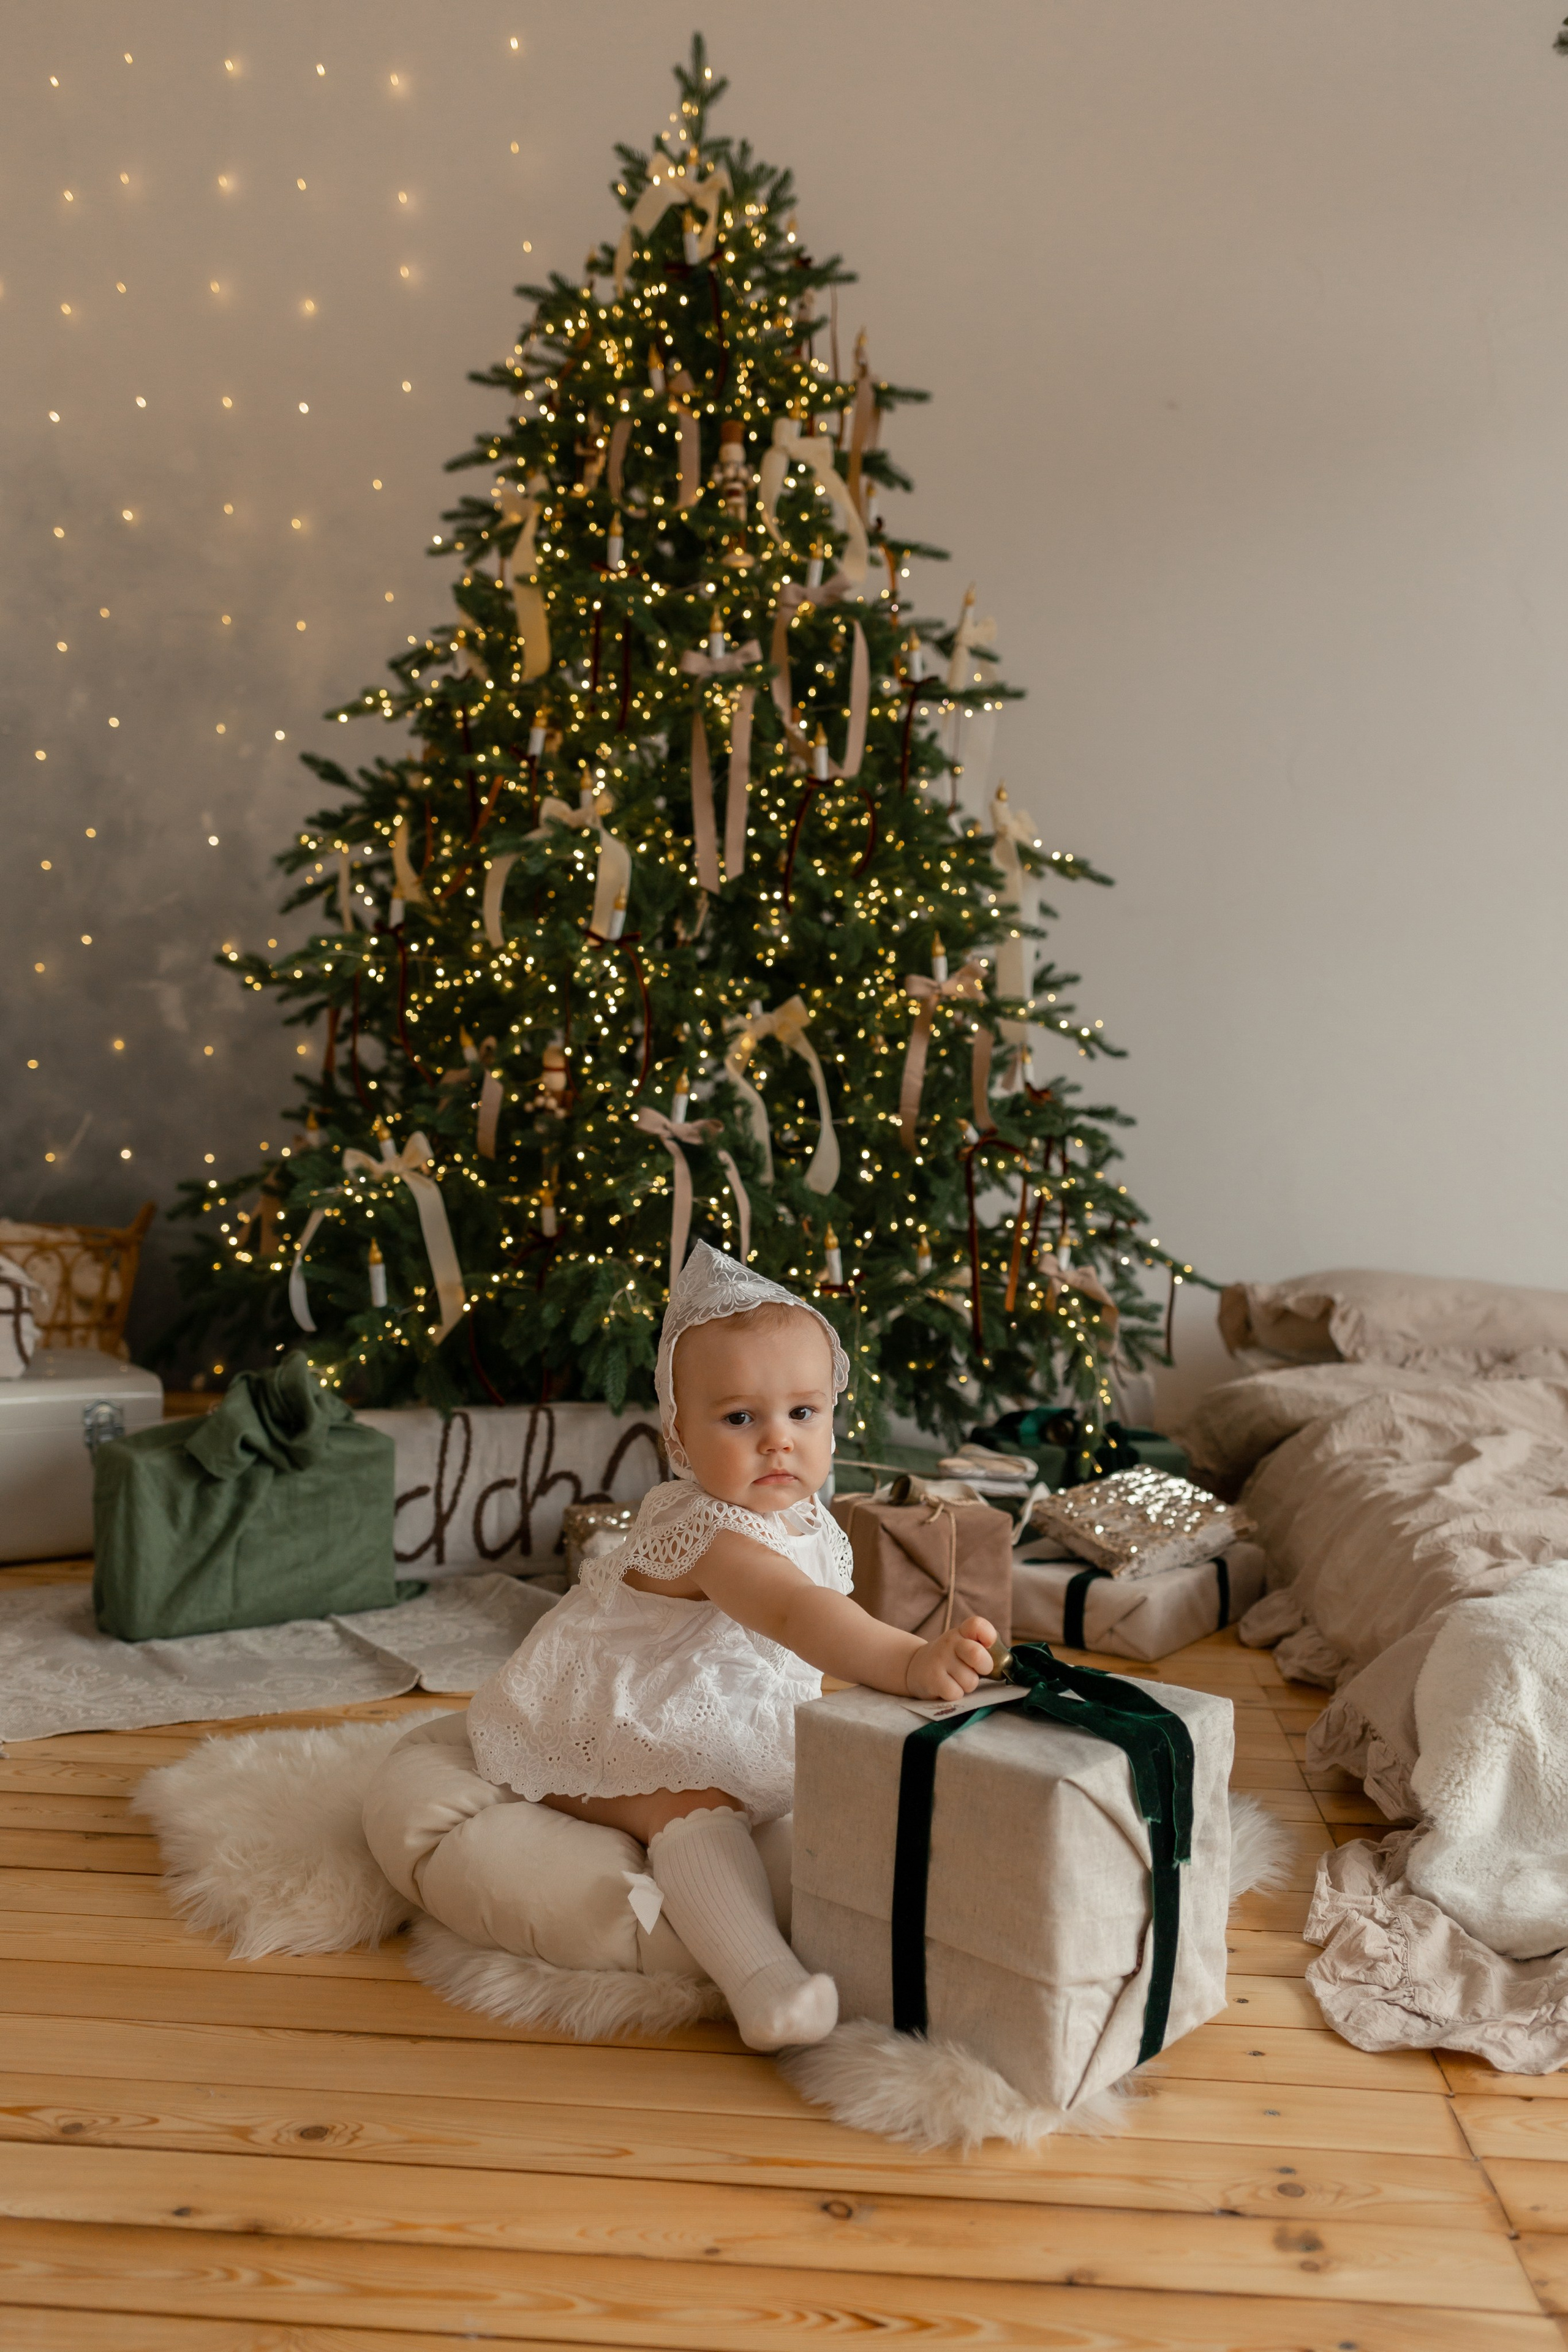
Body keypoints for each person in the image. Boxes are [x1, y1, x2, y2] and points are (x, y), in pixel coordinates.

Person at [467, 1242, 997, 2050]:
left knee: (791, 1784)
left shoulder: (802, 1517)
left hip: (703, 1696)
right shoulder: (711, 1533)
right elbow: (795, 1614)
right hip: (599, 1712)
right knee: (693, 1807)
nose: (778, 1441)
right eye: (740, 1418)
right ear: (679, 1435)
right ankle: (762, 1982)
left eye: (803, 1413)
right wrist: (908, 1660)